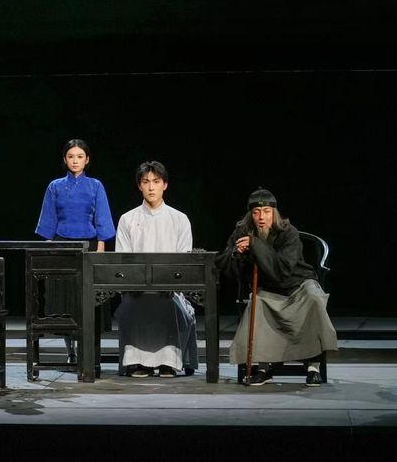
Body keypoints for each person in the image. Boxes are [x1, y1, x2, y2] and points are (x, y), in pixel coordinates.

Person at [215, 188, 338, 386]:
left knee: (315, 299)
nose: (261, 217)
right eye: (256, 212)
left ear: (274, 213)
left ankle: (313, 366)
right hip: (268, 289)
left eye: (266, 212)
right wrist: (237, 253)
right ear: (250, 215)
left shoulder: (288, 232)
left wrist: (256, 245)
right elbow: (225, 264)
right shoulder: (243, 232)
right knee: (257, 303)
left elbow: (283, 270)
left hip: (298, 284)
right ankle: (264, 368)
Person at [34, 138, 116, 362]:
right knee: (65, 298)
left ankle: (89, 351)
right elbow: (49, 219)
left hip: (89, 245)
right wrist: (50, 246)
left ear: (87, 160)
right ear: (65, 159)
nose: (75, 161)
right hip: (62, 245)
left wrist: (100, 247)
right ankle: (70, 350)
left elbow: (102, 217)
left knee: (88, 297)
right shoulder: (55, 186)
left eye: (80, 156)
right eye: (71, 156)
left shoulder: (95, 185)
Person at [113, 161, 198, 377]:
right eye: (146, 182)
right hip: (137, 288)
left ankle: (169, 362)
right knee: (134, 305)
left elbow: (184, 259)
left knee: (169, 305)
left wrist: (170, 284)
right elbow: (123, 259)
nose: (151, 187)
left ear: (165, 185)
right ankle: (137, 362)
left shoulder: (179, 219)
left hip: (169, 289)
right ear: (139, 186)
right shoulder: (128, 219)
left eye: (156, 182)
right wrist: (135, 285)